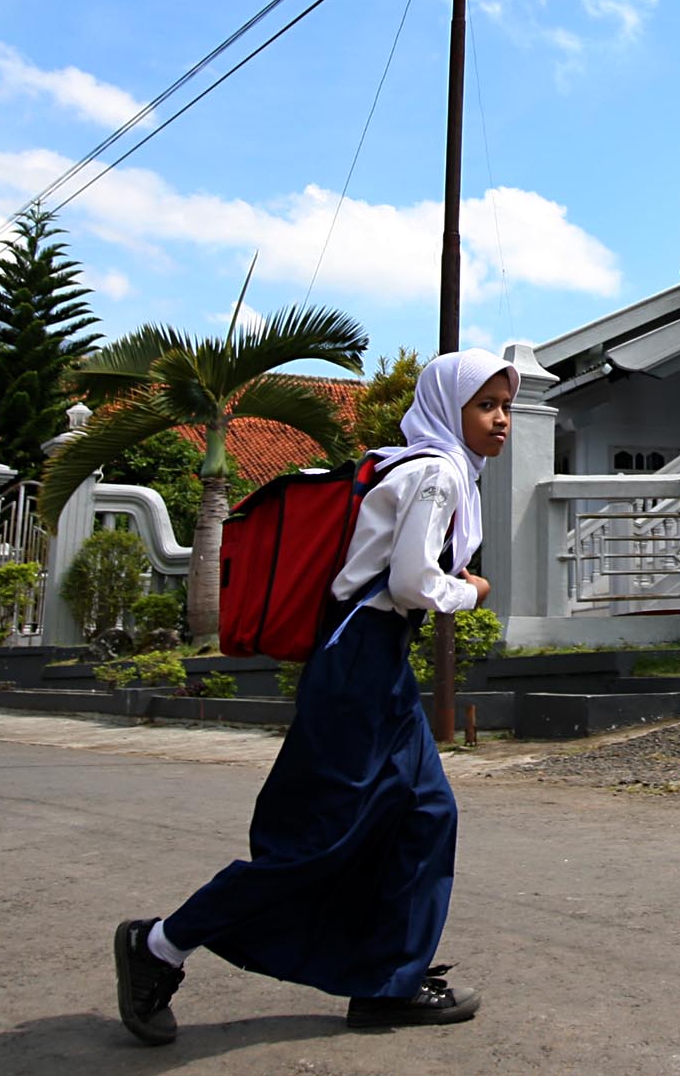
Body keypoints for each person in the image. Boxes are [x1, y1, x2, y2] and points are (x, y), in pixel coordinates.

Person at [112, 349, 518, 1044]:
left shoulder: (431, 466)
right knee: (317, 839)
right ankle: (158, 945)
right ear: (451, 409)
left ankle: (386, 979)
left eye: (505, 404)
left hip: (375, 660)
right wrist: (472, 590)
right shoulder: (437, 472)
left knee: (425, 814)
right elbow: (415, 583)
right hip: (358, 661)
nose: (501, 419)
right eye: (485, 405)